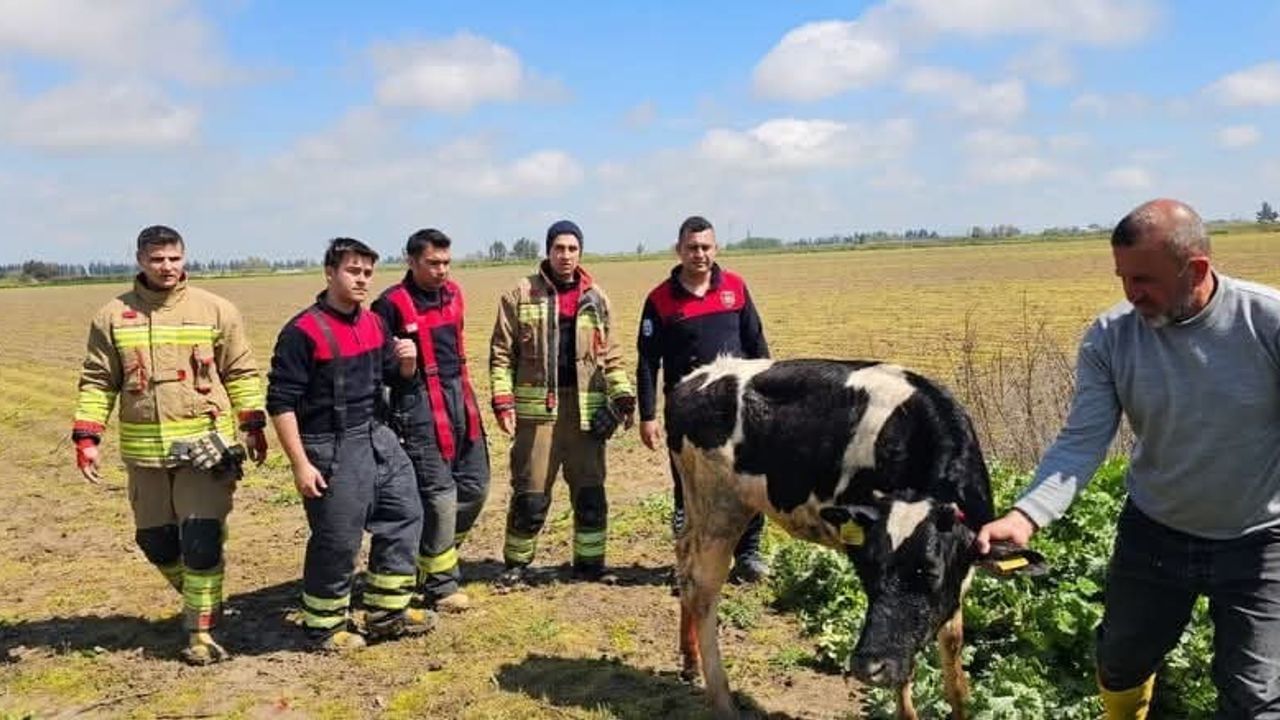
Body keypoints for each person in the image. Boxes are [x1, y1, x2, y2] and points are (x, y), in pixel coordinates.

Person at [977, 199, 1280, 719]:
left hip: (1260, 542)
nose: (1131, 293)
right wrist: (1026, 515)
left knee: (1256, 696)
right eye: (1123, 277)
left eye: (1145, 279)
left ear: (1198, 269)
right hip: (1155, 533)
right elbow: (1082, 440)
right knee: (1120, 661)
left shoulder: (1266, 323)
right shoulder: (1110, 336)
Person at [72, 224, 268, 665]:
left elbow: (240, 372)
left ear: (185, 259)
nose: (167, 267)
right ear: (141, 260)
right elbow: (99, 381)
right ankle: (206, 597)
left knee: (201, 539)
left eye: (174, 258)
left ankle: (202, 632)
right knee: (155, 542)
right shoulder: (111, 316)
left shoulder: (216, 310)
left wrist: (252, 424)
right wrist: (87, 435)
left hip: (205, 449)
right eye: (157, 259)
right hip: (145, 455)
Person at [267, 237, 433, 652]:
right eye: (353, 271)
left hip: (377, 435)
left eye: (367, 273)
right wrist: (300, 464)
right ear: (329, 272)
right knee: (338, 538)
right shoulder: (302, 332)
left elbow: (396, 378)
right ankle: (324, 625)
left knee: (406, 513)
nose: (362, 280)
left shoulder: (375, 323)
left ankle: (386, 611)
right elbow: (281, 403)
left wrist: (408, 362)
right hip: (330, 445)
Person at [489, 219, 635, 584]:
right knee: (531, 495)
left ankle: (589, 565)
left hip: (585, 412)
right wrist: (503, 401)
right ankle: (517, 566)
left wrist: (622, 398)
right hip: (536, 415)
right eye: (559, 248)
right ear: (548, 251)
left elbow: (612, 356)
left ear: (580, 252)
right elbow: (501, 355)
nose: (565, 255)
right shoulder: (520, 295)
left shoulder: (596, 298)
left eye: (572, 249)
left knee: (590, 493)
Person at [636, 215, 771, 582]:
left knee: (747, 482)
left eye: (706, 247)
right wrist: (647, 416)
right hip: (688, 415)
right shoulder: (660, 300)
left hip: (739, 410)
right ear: (678, 250)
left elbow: (758, 347)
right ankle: (691, 556)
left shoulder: (736, 290)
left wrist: (769, 400)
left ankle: (748, 555)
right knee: (690, 486)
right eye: (692, 248)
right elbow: (647, 363)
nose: (699, 254)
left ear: (716, 248)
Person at [373, 228, 490, 613]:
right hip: (418, 404)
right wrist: (402, 367)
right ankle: (441, 586)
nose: (441, 270)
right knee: (439, 497)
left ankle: (431, 556)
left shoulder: (454, 294)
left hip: (460, 395)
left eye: (446, 263)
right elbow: (376, 368)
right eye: (432, 263)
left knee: (474, 487)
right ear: (411, 260)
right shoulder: (389, 305)